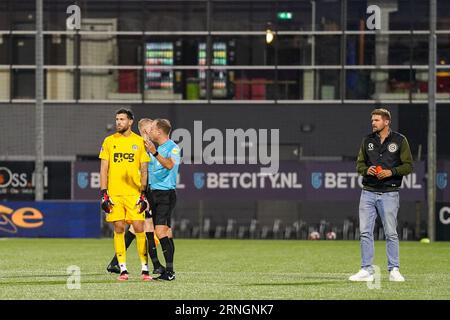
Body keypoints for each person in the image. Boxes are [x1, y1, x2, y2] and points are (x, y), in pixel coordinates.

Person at [349, 108, 413, 282]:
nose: (373, 123)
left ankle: (394, 270)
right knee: (365, 232)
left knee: (391, 232)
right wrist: (365, 169)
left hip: (389, 193)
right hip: (368, 192)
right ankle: (366, 270)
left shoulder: (400, 140)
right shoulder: (367, 141)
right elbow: (359, 165)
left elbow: (408, 166)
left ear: (386, 122)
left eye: (376, 120)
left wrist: (391, 172)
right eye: (372, 120)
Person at [106, 118, 165, 275]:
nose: (152, 131)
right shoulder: (140, 146)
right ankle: (155, 265)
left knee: (136, 229)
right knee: (147, 227)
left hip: (146, 191)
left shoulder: (146, 147)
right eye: (150, 128)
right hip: (139, 193)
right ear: (144, 130)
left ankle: (114, 263)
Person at [99, 108, 152, 281]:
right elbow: (104, 168)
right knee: (119, 228)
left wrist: (143, 193)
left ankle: (145, 269)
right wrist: (103, 193)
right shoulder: (108, 141)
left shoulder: (139, 142)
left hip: (134, 194)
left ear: (130, 122)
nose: (118, 122)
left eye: (122, 119)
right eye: (117, 119)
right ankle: (123, 269)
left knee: (139, 228)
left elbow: (144, 168)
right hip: (114, 194)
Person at [145, 118, 181, 281]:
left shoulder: (172, 148)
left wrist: (154, 152)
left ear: (159, 131)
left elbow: (169, 165)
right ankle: (169, 270)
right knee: (165, 231)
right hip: (153, 193)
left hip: (165, 194)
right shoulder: (156, 147)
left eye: (152, 128)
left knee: (159, 231)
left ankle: (170, 272)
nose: (150, 131)